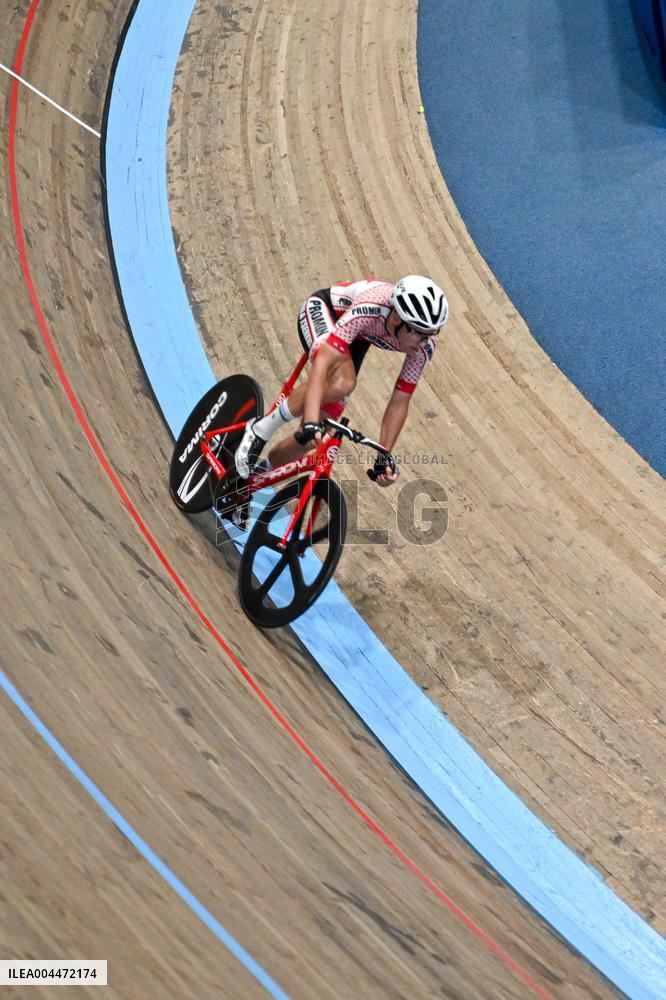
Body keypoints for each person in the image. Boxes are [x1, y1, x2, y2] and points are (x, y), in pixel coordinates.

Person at [234, 275, 448, 487]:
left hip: (356, 339)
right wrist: (308, 419)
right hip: (326, 312)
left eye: (428, 336)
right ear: (397, 318)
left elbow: (400, 401)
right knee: (342, 382)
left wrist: (384, 457)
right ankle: (260, 429)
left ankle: (248, 484)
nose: (423, 343)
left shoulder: (423, 349)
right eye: (419, 334)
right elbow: (323, 363)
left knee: (312, 437)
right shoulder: (373, 304)